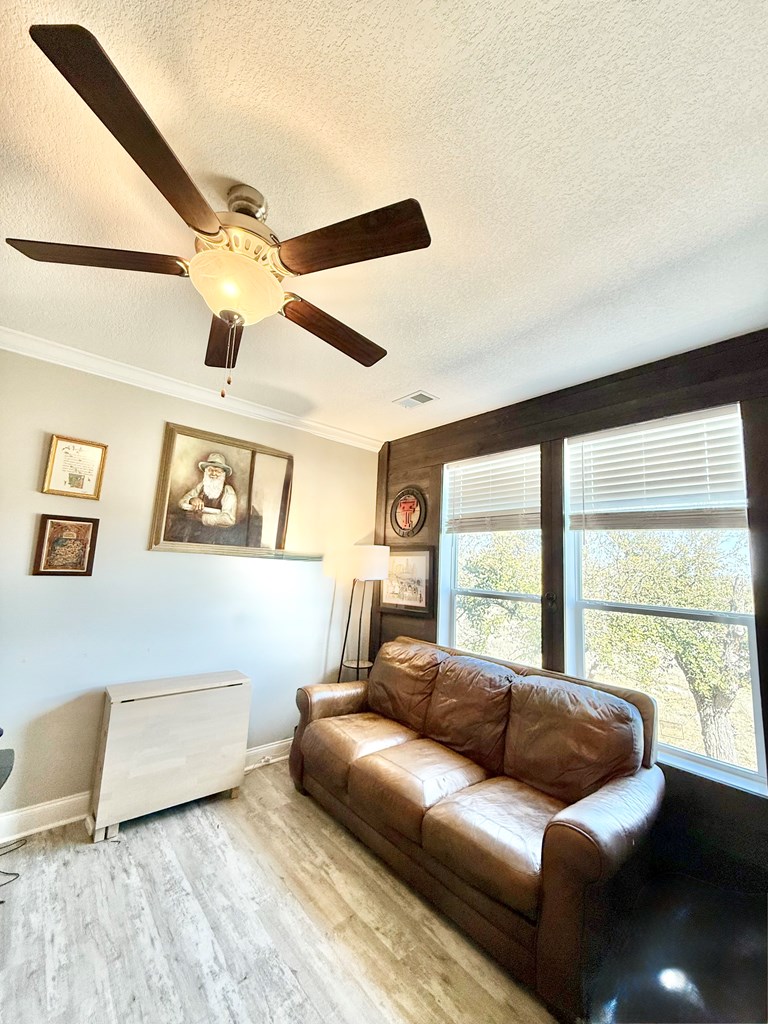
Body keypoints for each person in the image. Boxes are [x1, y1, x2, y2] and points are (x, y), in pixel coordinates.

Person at [178, 453, 237, 528]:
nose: (213, 473)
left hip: (217, 535)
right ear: (206, 471)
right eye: (210, 470)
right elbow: (181, 502)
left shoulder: (228, 491)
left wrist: (202, 518)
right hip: (196, 530)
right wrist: (191, 499)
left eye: (218, 471)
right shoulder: (202, 486)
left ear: (223, 474)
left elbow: (229, 519)